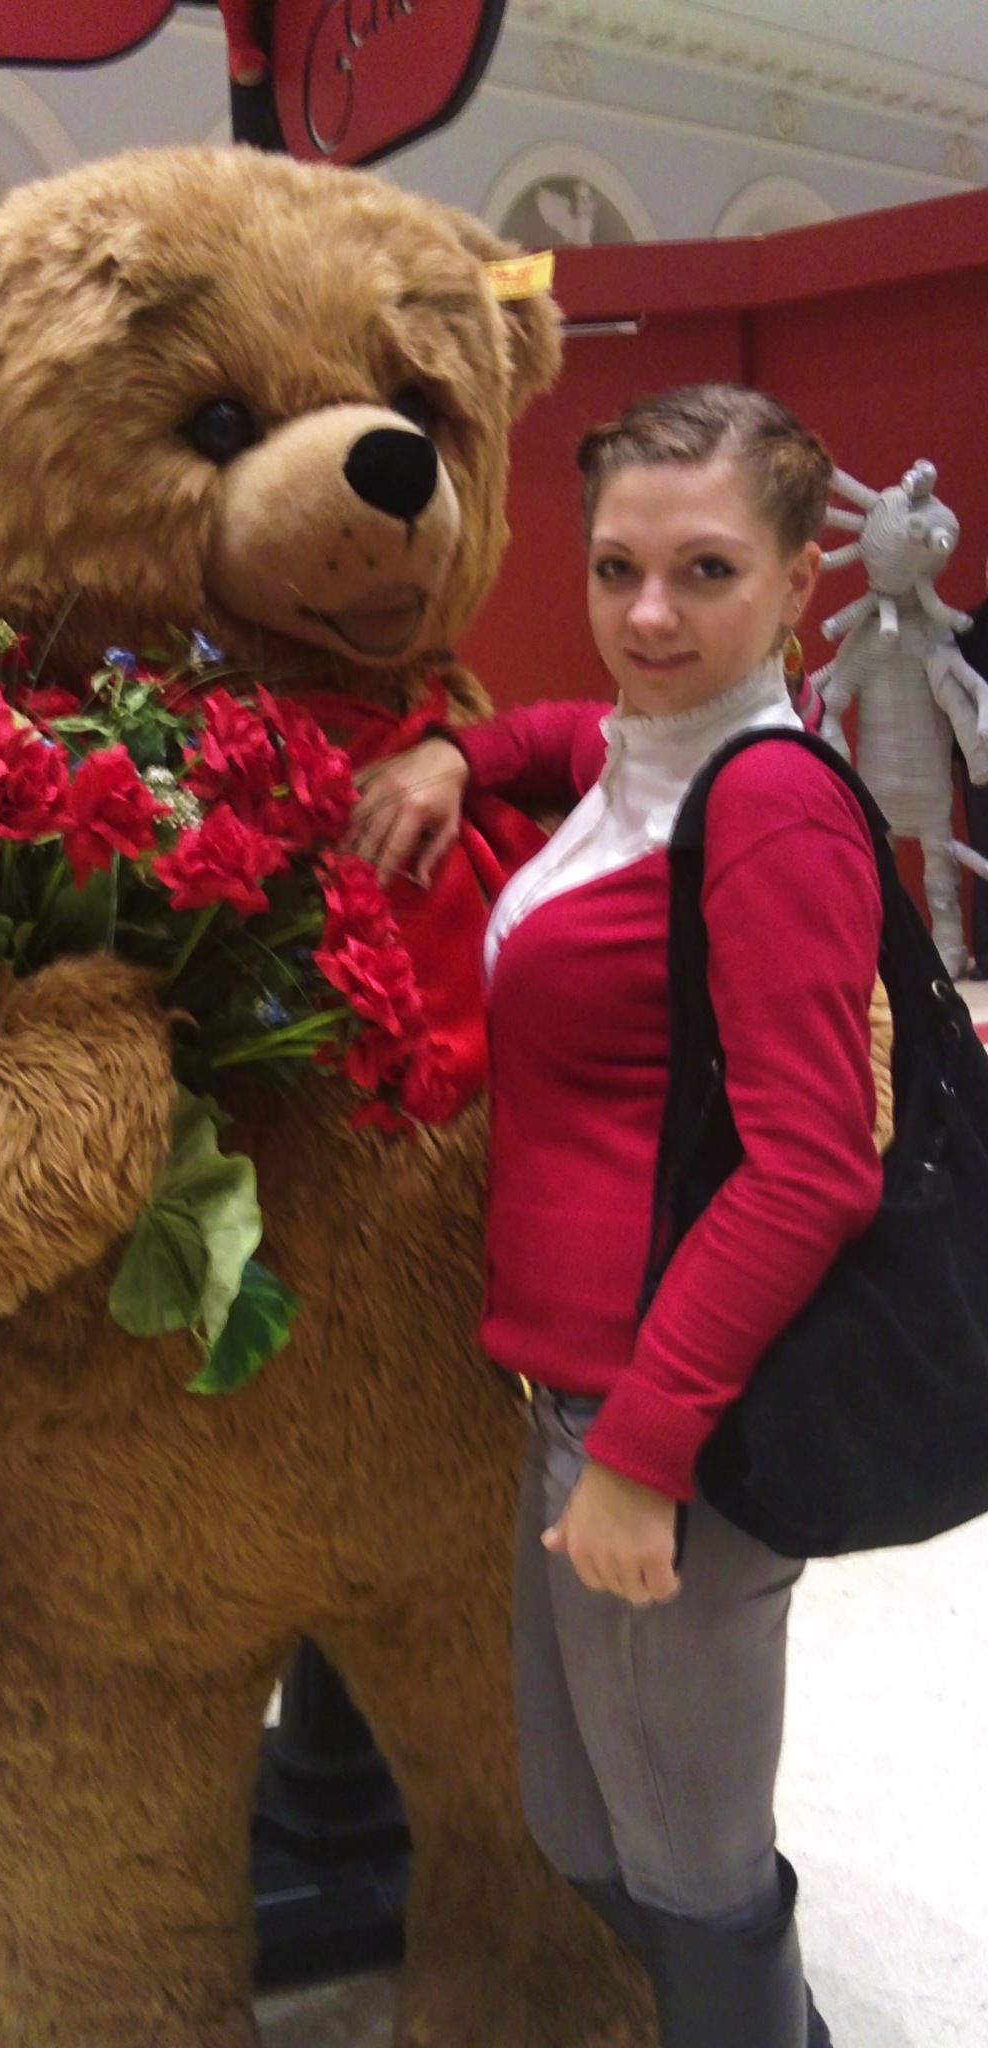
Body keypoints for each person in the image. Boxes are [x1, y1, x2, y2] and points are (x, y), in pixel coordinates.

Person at [348, 384, 888, 2048]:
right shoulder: (653, 754)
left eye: (706, 570)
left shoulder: (767, 806)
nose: (649, 616)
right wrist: (457, 749)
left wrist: (647, 1449)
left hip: (674, 1413)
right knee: (585, 1829)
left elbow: (812, 1166)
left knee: (686, 1863)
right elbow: (565, 737)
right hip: (576, 1389)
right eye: (615, 568)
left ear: (798, 581)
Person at [955, 559, 988, 978]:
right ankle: (986, 951)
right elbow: (954, 698)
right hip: (979, 755)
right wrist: (955, 755)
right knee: (983, 853)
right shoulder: (969, 629)